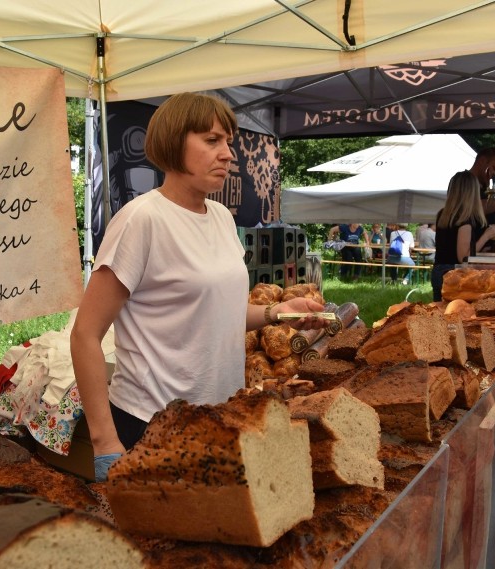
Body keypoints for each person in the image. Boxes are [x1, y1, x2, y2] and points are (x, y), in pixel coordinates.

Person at [69, 92, 328, 482]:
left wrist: (278, 314)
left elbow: (219, 312)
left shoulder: (222, 218)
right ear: (174, 143)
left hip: (221, 418)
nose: (227, 154)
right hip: (153, 425)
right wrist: (105, 442)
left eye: (228, 142)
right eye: (212, 141)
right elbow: (85, 335)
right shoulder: (142, 220)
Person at [430, 170, 495, 301]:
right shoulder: (464, 219)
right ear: (472, 192)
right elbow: (463, 257)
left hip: (438, 271)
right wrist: (486, 236)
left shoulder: (443, 213)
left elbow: (449, 246)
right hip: (453, 275)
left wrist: (478, 248)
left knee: (440, 314)